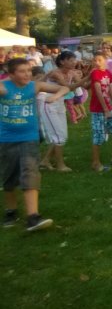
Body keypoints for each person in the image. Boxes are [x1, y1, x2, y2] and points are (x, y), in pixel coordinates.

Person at [1, 59, 68, 231]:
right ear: (11, 74)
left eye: (29, 70)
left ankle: (33, 217)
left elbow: (65, 88)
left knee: (30, 172)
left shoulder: (35, 86)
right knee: (9, 178)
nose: (27, 74)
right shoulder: (4, 87)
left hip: (29, 137)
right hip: (6, 139)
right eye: (22, 71)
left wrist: (55, 96)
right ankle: (11, 210)